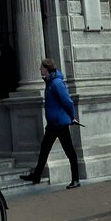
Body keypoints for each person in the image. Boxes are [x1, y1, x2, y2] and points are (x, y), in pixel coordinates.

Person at [20, 58, 81, 189]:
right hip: (53, 124)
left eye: (41, 67)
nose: (39, 69)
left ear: (47, 68)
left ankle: (75, 179)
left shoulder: (56, 83)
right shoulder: (50, 82)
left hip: (60, 123)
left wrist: (72, 117)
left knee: (69, 151)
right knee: (44, 150)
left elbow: (68, 102)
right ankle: (36, 176)